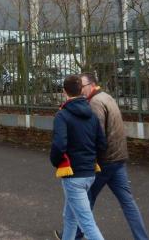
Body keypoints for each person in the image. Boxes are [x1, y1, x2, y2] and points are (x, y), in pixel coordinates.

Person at [57, 72, 149, 240]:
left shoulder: (95, 103)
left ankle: (75, 235)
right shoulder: (107, 97)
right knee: (127, 202)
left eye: (82, 86)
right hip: (119, 158)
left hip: (105, 161)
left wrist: (86, 159)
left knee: (85, 200)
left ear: (91, 85)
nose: (81, 90)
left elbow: (93, 137)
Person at [50, 75, 107, 240]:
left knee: (87, 224)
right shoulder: (92, 114)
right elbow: (102, 144)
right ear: (81, 90)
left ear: (63, 92)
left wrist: (55, 162)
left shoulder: (62, 115)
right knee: (69, 216)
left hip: (73, 176)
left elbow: (59, 145)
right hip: (90, 173)